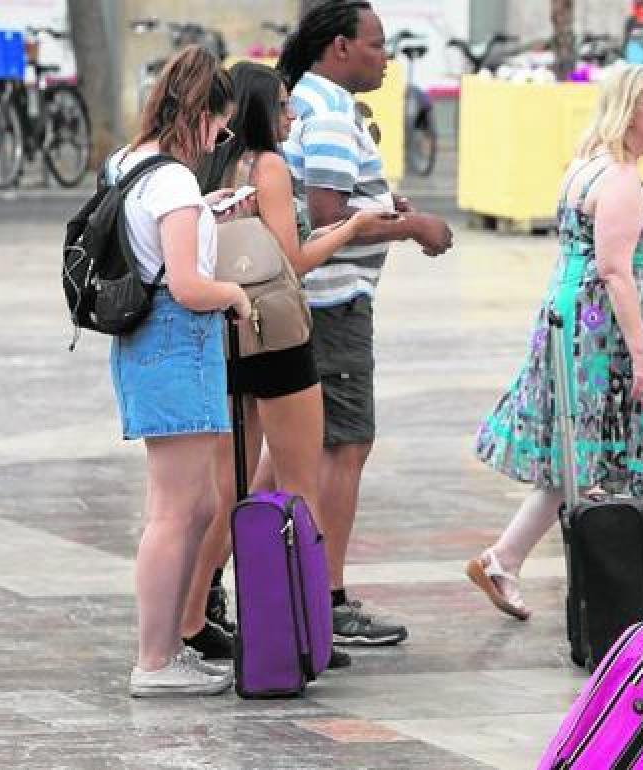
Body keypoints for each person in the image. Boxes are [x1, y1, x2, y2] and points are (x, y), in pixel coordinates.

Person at [468, 62, 643, 624]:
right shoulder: (621, 181)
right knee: (623, 454)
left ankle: (504, 560)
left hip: (575, 325)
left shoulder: (589, 166)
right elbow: (615, 270)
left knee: (583, 460)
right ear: (630, 113)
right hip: (604, 340)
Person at [182, 61, 386, 668]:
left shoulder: (206, 166)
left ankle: (193, 618)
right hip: (277, 335)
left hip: (224, 336)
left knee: (229, 489)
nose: (293, 117)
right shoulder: (265, 167)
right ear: (257, 113)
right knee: (301, 487)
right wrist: (354, 227)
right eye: (282, 107)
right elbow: (292, 261)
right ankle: (304, 627)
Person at [276, 0, 454, 647]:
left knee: (291, 452)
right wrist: (415, 226)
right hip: (332, 302)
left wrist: (383, 206)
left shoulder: (312, 104)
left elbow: (334, 203)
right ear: (340, 49)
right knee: (344, 448)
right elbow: (326, 216)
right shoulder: (325, 115)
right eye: (376, 45)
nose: (386, 58)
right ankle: (328, 596)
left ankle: (244, 577)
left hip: (316, 302)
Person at [108, 45, 253, 697]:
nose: (221, 136)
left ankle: (166, 650)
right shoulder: (172, 180)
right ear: (197, 114)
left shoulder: (132, 163)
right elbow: (190, 285)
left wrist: (203, 214)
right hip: (175, 338)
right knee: (173, 511)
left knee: (191, 505)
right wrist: (237, 295)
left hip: (153, 343)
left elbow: (159, 249)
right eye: (218, 123)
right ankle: (155, 660)